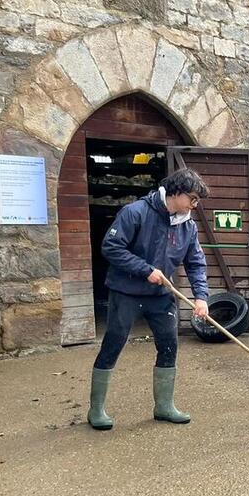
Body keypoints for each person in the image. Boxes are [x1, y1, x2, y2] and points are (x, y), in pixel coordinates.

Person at [87, 168, 211, 430]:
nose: (195, 205)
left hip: (160, 296)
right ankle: (96, 409)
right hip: (126, 292)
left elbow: (196, 263)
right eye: (193, 198)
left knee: (169, 345)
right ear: (176, 192)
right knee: (113, 344)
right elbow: (111, 247)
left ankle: (164, 407)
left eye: (197, 200)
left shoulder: (187, 225)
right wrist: (145, 270)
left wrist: (201, 297)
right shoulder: (135, 213)